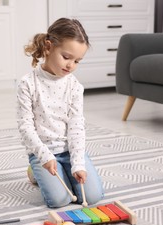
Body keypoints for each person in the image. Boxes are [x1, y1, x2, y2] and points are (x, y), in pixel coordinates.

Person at [17, 18, 104, 208]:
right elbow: (25, 127)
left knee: (92, 197)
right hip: (43, 152)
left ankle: (64, 170)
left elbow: (76, 126)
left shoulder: (74, 87)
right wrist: (44, 156)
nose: (71, 65)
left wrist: (78, 164)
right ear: (48, 47)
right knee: (59, 200)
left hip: (68, 150)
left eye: (77, 61)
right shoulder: (27, 83)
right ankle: (35, 171)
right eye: (66, 57)